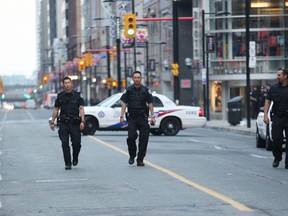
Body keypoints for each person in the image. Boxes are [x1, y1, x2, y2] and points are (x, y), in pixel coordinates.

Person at [120, 71, 156, 166]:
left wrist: (153, 116)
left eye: (138, 77)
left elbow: (150, 103)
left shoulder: (146, 90)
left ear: (141, 78)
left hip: (143, 117)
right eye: (135, 77)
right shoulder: (128, 90)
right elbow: (124, 103)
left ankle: (140, 159)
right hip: (132, 117)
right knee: (131, 137)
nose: (137, 79)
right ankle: (132, 155)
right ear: (133, 79)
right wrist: (121, 116)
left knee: (144, 139)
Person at [50, 76, 85, 170]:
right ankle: (68, 163)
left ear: (71, 84)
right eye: (65, 83)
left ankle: (75, 157)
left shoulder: (77, 95)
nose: (67, 85)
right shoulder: (60, 96)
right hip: (64, 123)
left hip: (75, 123)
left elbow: (81, 108)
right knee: (64, 143)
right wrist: (52, 122)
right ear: (63, 84)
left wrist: (82, 121)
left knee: (76, 143)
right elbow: (56, 109)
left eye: (69, 83)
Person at [264, 68, 288, 169]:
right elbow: (267, 101)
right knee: (277, 139)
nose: (277, 77)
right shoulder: (274, 88)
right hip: (277, 117)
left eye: (279, 75)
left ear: (285, 76)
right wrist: (265, 115)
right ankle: (277, 157)